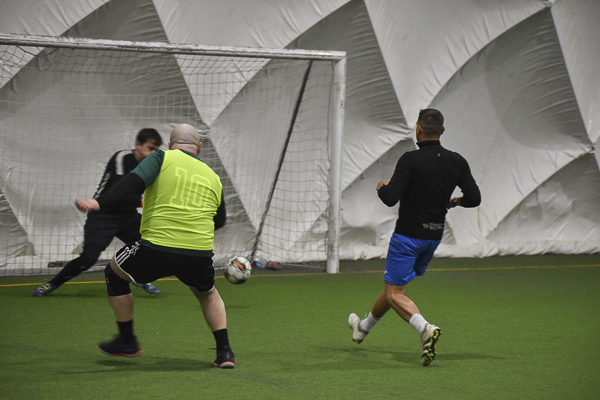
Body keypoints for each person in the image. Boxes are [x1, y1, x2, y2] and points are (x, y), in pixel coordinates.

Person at [74, 123, 234, 368]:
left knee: (114, 273)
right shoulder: (213, 176)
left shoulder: (162, 158)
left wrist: (100, 202)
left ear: (170, 145)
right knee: (208, 294)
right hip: (199, 252)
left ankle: (127, 341)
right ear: (199, 147)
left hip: (157, 246)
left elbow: (133, 181)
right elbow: (220, 220)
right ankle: (225, 352)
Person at [348, 109, 481, 366]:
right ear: (442, 131)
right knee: (394, 289)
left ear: (418, 128)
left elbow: (390, 198)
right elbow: (474, 198)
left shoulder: (410, 159)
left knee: (394, 292)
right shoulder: (457, 161)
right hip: (433, 237)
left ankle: (425, 328)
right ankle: (362, 328)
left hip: (408, 236)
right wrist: (454, 201)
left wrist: (382, 186)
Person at [33, 128, 163, 297]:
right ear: (138, 144)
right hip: (103, 215)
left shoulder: (150, 165)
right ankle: (51, 284)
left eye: (156, 150)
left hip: (128, 216)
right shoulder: (122, 157)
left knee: (148, 244)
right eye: (150, 148)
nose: (152, 153)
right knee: (88, 259)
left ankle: (138, 277)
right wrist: (143, 202)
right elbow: (121, 191)